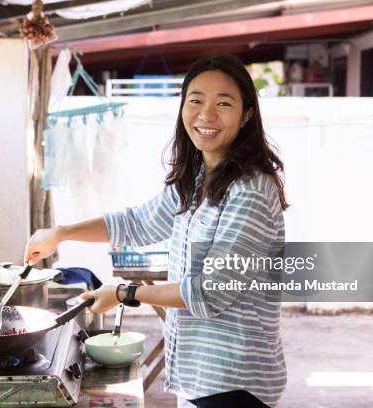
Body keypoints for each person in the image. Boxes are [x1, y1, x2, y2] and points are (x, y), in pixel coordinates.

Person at [24, 54, 289, 408]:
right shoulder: (198, 180)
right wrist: (60, 232)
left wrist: (125, 293)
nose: (206, 115)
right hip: (199, 377)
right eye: (195, 101)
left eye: (223, 103)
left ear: (246, 115)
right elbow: (136, 223)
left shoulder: (251, 189)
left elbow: (211, 293)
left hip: (234, 383)